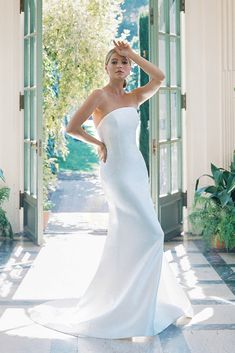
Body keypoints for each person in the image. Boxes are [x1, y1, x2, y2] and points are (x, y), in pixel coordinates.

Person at [27, 40, 193, 339]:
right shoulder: (99, 95)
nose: (120, 65)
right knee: (153, 233)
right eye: (114, 61)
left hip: (137, 171)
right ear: (106, 67)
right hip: (116, 171)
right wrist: (99, 144)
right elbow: (72, 128)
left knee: (132, 237)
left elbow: (159, 78)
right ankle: (128, 311)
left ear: (129, 68)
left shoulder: (134, 97)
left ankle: (135, 307)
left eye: (123, 62)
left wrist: (133, 54)